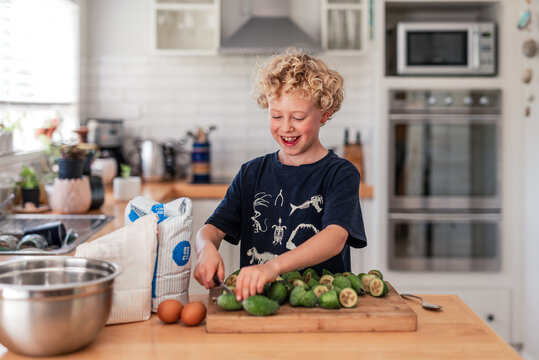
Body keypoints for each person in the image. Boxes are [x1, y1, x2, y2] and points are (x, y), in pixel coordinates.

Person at [193, 50, 367, 301]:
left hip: (320, 306)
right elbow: (211, 230)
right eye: (276, 116)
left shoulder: (340, 174)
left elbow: (334, 238)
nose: (286, 127)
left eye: (298, 117)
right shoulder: (251, 173)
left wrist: (272, 267)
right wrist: (205, 249)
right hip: (260, 304)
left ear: (325, 115)